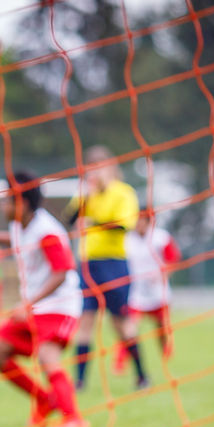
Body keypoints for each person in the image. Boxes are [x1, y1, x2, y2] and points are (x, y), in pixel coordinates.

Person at [0, 172, 87, 427]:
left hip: (59, 307)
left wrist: (28, 303)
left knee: (47, 355)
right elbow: (17, 240)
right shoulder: (19, 225)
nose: (2, 206)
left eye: (7, 201)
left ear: (21, 204)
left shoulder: (47, 232)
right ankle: (45, 400)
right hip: (34, 307)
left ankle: (74, 418)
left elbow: (62, 270)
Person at [65, 146, 146, 390]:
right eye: (91, 167)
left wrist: (94, 222)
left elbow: (125, 226)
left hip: (114, 264)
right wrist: (86, 197)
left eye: (99, 166)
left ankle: (142, 376)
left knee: (121, 324)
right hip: (88, 265)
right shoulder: (85, 193)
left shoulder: (123, 193)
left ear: (111, 167)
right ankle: (79, 382)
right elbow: (69, 219)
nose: (95, 172)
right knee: (85, 321)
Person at [115, 208, 181, 371]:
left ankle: (166, 352)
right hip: (135, 292)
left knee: (161, 327)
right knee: (130, 327)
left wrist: (163, 274)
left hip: (158, 292)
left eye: (140, 220)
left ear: (148, 221)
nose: (137, 224)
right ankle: (120, 362)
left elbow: (173, 259)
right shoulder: (127, 239)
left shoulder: (161, 238)